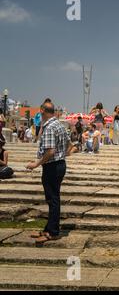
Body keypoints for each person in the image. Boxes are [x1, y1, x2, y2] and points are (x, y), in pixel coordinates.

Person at [26, 101, 73, 245]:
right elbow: (70, 145)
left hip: (52, 166)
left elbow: (50, 151)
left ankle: (52, 232)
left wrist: (36, 164)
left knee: (52, 199)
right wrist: (62, 155)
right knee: (53, 198)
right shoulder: (59, 124)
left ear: (42, 111)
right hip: (59, 165)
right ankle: (48, 229)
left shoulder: (49, 127)